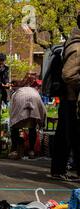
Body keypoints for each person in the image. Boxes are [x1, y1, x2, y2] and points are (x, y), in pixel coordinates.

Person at [50, 13, 80, 181]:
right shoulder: (77, 47)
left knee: (67, 135)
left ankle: (59, 170)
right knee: (69, 135)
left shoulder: (72, 42)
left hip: (69, 98)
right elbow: (69, 74)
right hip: (72, 98)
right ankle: (60, 170)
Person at [8, 84, 46, 160]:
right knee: (32, 127)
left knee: (15, 127)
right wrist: (42, 123)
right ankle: (31, 151)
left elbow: (11, 109)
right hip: (34, 99)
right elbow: (42, 109)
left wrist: (12, 121)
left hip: (20, 100)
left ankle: (14, 150)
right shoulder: (35, 92)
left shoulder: (16, 93)